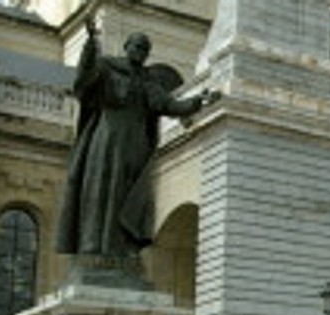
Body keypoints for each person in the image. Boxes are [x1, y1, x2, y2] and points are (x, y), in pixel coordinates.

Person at [56, 16, 219, 259]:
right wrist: (90, 43)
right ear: (126, 47)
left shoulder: (148, 80)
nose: (141, 52)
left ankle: (120, 248)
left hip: (136, 147)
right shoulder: (107, 68)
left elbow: (168, 104)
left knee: (129, 197)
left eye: (145, 49)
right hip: (108, 140)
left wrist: (198, 101)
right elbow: (84, 78)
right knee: (100, 191)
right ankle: (94, 246)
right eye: (137, 46)